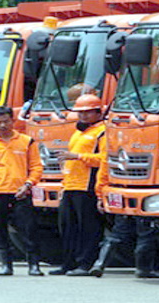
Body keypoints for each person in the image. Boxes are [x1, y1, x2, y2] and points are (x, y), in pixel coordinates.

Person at [0, 107, 44, 276]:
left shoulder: (27, 141)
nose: (2, 125)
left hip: (21, 192)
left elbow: (36, 167)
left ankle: (34, 265)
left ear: (13, 121)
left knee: (28, 228)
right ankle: (6, 265)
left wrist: (28, 184)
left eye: (6, 121)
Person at [50, 94, 105, 276]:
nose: (83, 116)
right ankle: (67, 263)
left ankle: (85, 264)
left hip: (87, 187)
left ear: (99, 112)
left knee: (87, 228)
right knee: (67, 227)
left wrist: (78, 157)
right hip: (70, 186)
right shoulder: (78, 133)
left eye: (88, 112)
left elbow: (104, 160)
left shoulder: (102, 132)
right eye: (80, 113)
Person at [89, 150, 159, 278]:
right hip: (147, 189)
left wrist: (100, 194)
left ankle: (99, 264)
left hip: (122, 188)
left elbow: (104, 171)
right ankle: (143, 269)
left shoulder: (120, 147)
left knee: (117, 233)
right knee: (146, 233)